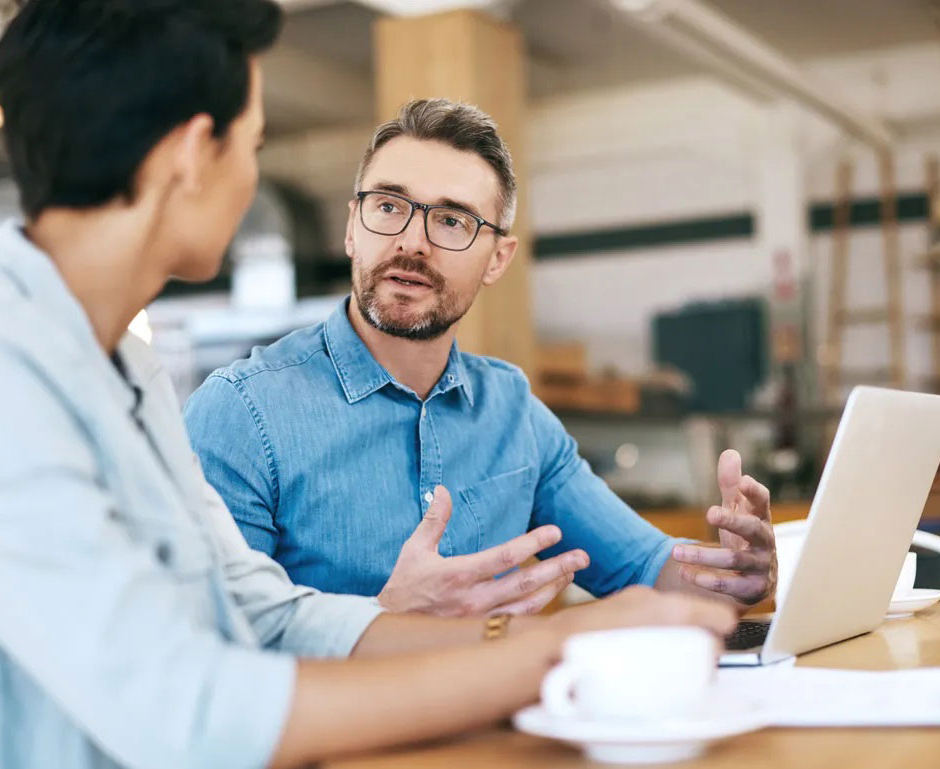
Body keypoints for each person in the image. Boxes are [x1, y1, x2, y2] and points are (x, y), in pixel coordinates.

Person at [0, 2, 737, 768]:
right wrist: (554, 652)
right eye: (253, 145)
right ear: (192, 155)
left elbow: (265, 612)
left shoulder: (125, 365)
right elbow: (188, 707)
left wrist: (521, 636)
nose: (252, 180)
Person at [184, 97, 778, 618]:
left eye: (452, 221)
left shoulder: (513, 412)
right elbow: (207, 651)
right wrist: (384, 617)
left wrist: (734, 576)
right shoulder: (241, 413)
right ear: (351, 229)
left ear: (497, 259)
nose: (411, 241)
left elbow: (645, 568)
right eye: (388, 206)